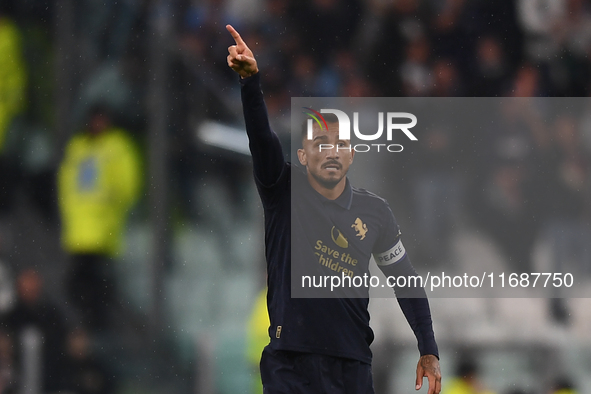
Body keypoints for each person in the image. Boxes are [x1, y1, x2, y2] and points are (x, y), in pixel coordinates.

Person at [226, 24, 441, 394]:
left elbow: (405, 279)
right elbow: (262, 138)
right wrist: (251, 85)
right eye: (320, 143)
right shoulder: (282, 188)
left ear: (352, 154)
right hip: (290, 363)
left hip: (352, 366)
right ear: (302, 155)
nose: (331, 150)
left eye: (340, 143)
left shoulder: (375, 212)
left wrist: (428, 349)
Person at [58, 104, 142, 330]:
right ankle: (89, 323)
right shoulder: (78, 147)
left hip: (104, 227)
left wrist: (113, 206)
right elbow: (67, 184)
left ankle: (96, 324)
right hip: (79, 228)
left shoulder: (116, 146)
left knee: (95, 281)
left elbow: (128, 184)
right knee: (81, 282)